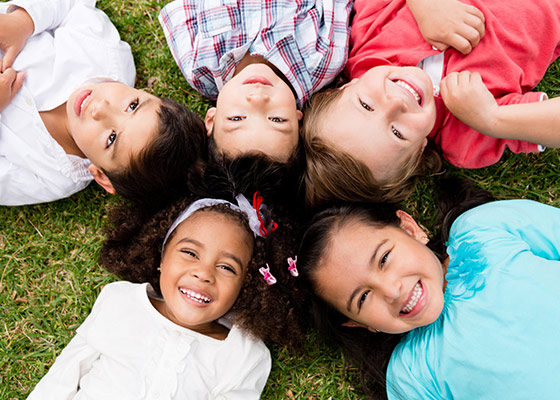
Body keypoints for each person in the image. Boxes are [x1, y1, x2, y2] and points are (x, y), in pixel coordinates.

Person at [297, 178, 560, 399]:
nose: (391, 291)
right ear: (359, 324)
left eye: (384, 259)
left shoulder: (483, 230)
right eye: (363, 297)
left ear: (411, 230)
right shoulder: (411, 376)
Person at [27, 191, 301, 398]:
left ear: (247, 285)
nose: (204, 273)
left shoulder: (244, 354)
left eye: (227, 267)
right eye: (190, 253)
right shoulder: (121, 301)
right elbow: (64, 374)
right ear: (160, 256)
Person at [302, 0, 560, 207]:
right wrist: (491, 119)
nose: (395, 103)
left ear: (344, 87)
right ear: (418, 152)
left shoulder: (367, 48)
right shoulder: (464, 134)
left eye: (366, 105)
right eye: (397, 133)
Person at [0, 0, 206, 208]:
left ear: (101, 176)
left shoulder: (52, 178)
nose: (99, 108)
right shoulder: (105, 56)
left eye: (111, 138)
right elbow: (72, 6)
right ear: (145, 93)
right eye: (132, 106)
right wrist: (23, 21)